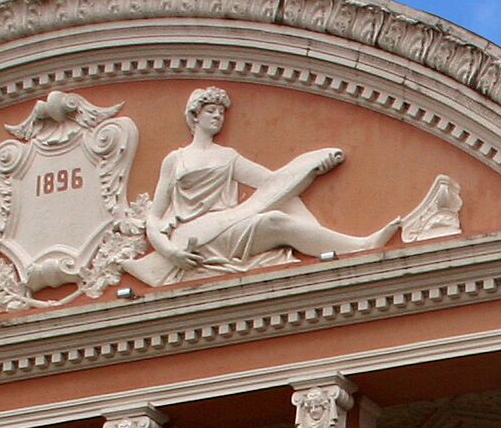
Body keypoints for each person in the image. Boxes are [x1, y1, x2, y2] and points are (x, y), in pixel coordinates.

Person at [126, 86, 399, 284]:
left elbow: (273, 183)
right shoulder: (176, 159)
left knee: (276, 216)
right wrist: (170, 252)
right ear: (194, 116)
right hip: (192, 238)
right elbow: (154, 216)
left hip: (225, 229)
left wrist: (312, 171)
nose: (217, 117)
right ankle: (357, 246)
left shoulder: (228, 157)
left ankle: (353, 243)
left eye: (220, 112)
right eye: (210, 111)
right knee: (274, 221)